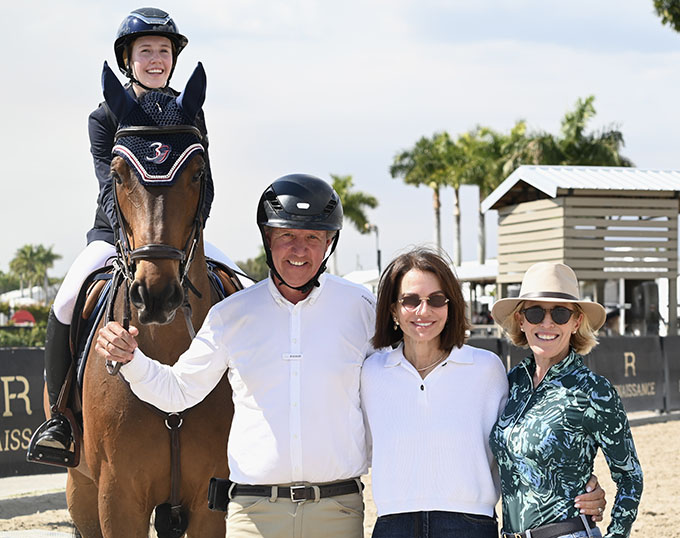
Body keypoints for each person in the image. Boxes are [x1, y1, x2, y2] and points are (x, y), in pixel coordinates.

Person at [96, 174, 376, 538]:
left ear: (329, 243)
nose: (299, 250)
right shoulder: (232, 314)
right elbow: (178, 391)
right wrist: (131, 360)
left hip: (337, 512)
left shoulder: (363, 308)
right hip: (255, 515)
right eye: (287, 236)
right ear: (268, 239)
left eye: (313, 238)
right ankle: (61, 418)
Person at [30, 7, 236, 458]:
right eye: (146, 51)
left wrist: (192, 234)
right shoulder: (105, 117)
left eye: (164, 50)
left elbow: (204, 181)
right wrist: (129, 241)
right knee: (67, 298)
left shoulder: (189, 111)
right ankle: (59, 419)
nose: (156, 59)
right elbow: (109, 186)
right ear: (128, 59)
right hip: (116, 235)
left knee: (241, 285)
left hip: (179, 240)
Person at [361, 249, 607, 538]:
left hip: (470, 526)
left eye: (436, 299)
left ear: (451, 306)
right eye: (410, 300)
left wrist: (582, 484)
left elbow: (522, 442)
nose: (423, 311)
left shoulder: (486, 369)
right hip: (392, 526)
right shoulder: (371, 372)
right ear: (393, 309)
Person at [490, 262, 643, 538]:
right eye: (535, 312)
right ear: (521, 320)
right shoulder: (509, 383)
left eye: (560, 313)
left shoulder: (594, 391)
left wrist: (616, 535)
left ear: (576, 322)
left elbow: (630, 477)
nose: (547, 323)